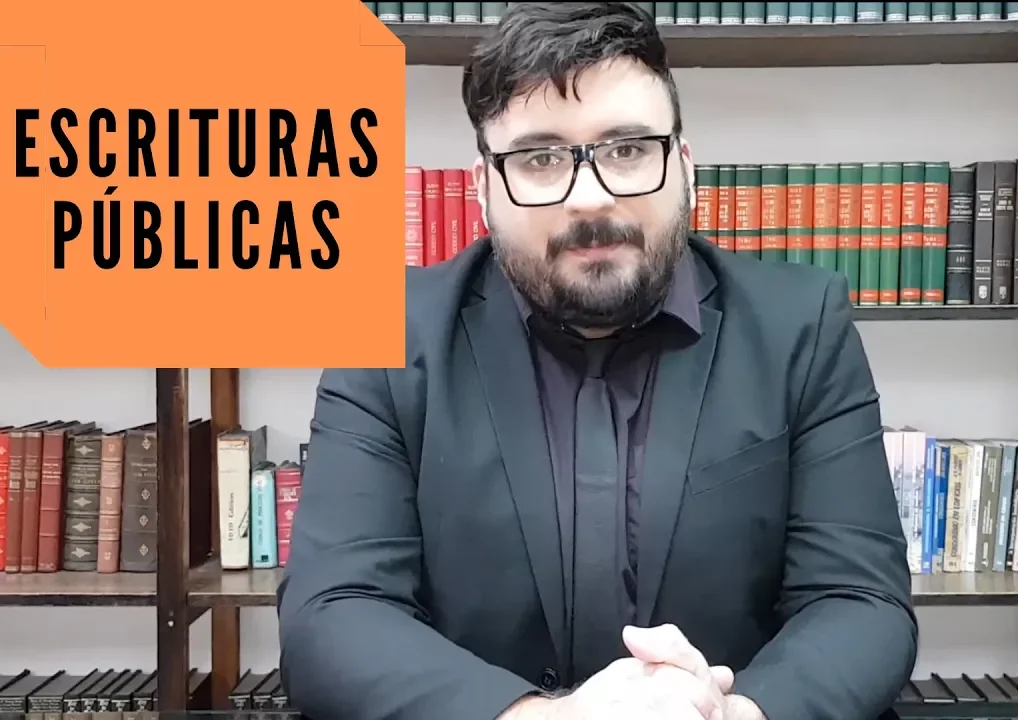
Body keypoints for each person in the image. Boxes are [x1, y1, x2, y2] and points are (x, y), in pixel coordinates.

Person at [275, 2, 917, 719]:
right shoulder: (387, 335)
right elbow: (331, 615)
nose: (590, 197)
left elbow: (860, 601)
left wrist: (736, 715)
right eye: (540, 159)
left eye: (628, 150)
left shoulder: (801, 326)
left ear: (684, 168)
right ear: (483, 188)